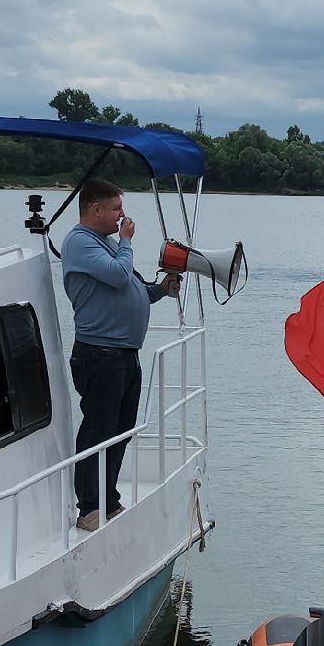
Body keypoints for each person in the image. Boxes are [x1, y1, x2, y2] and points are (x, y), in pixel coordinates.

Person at [61, 178, 181, 531]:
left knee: (120, 430)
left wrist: (160, 290)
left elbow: (131, 287)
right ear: (94, 209)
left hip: (123, 354)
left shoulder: (106, 243)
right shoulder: (80, 242)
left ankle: (107, 500)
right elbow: (117, 276)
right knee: (98, 430)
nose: (122, 216)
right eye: (116, 208)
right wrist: (126, 242)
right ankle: (88, 509)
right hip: (99, 354)